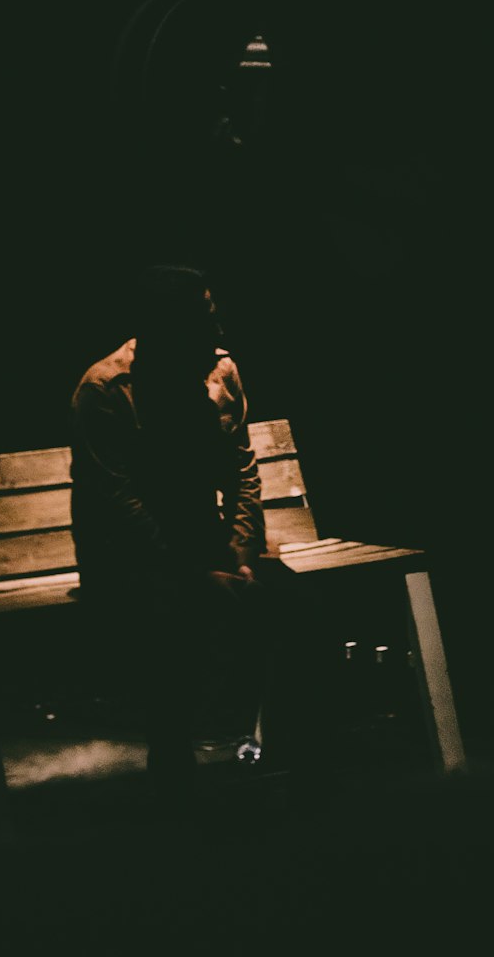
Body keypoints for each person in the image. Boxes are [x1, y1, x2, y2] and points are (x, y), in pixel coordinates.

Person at [69, 264, 329, 801]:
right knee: (175, 616)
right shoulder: (108, 391)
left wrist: (239, 553)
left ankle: (297, 763)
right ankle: (173, 774)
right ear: (163, 327)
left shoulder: (219, 373)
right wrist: (196, 572)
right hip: (127, 558)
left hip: (204, 545)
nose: (216, 332)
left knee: (303, 607)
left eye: (211, 316)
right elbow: (120, 506)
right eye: (201, 319)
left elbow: (242, 469)